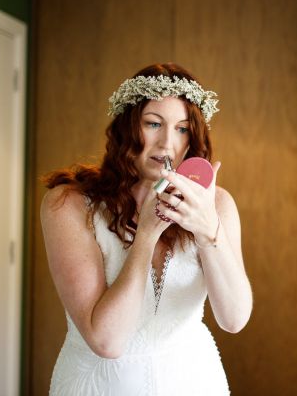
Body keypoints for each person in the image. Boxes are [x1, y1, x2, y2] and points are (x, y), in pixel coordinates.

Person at [41, 63, 252, 395]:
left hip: (193, 381)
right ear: (126, 129)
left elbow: (234, 319)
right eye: (154, 124)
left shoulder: (217, 205)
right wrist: (145, 237)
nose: (167, 143)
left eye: (182, 129)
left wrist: (209, 230)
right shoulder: (68, 205)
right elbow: (106, 340)